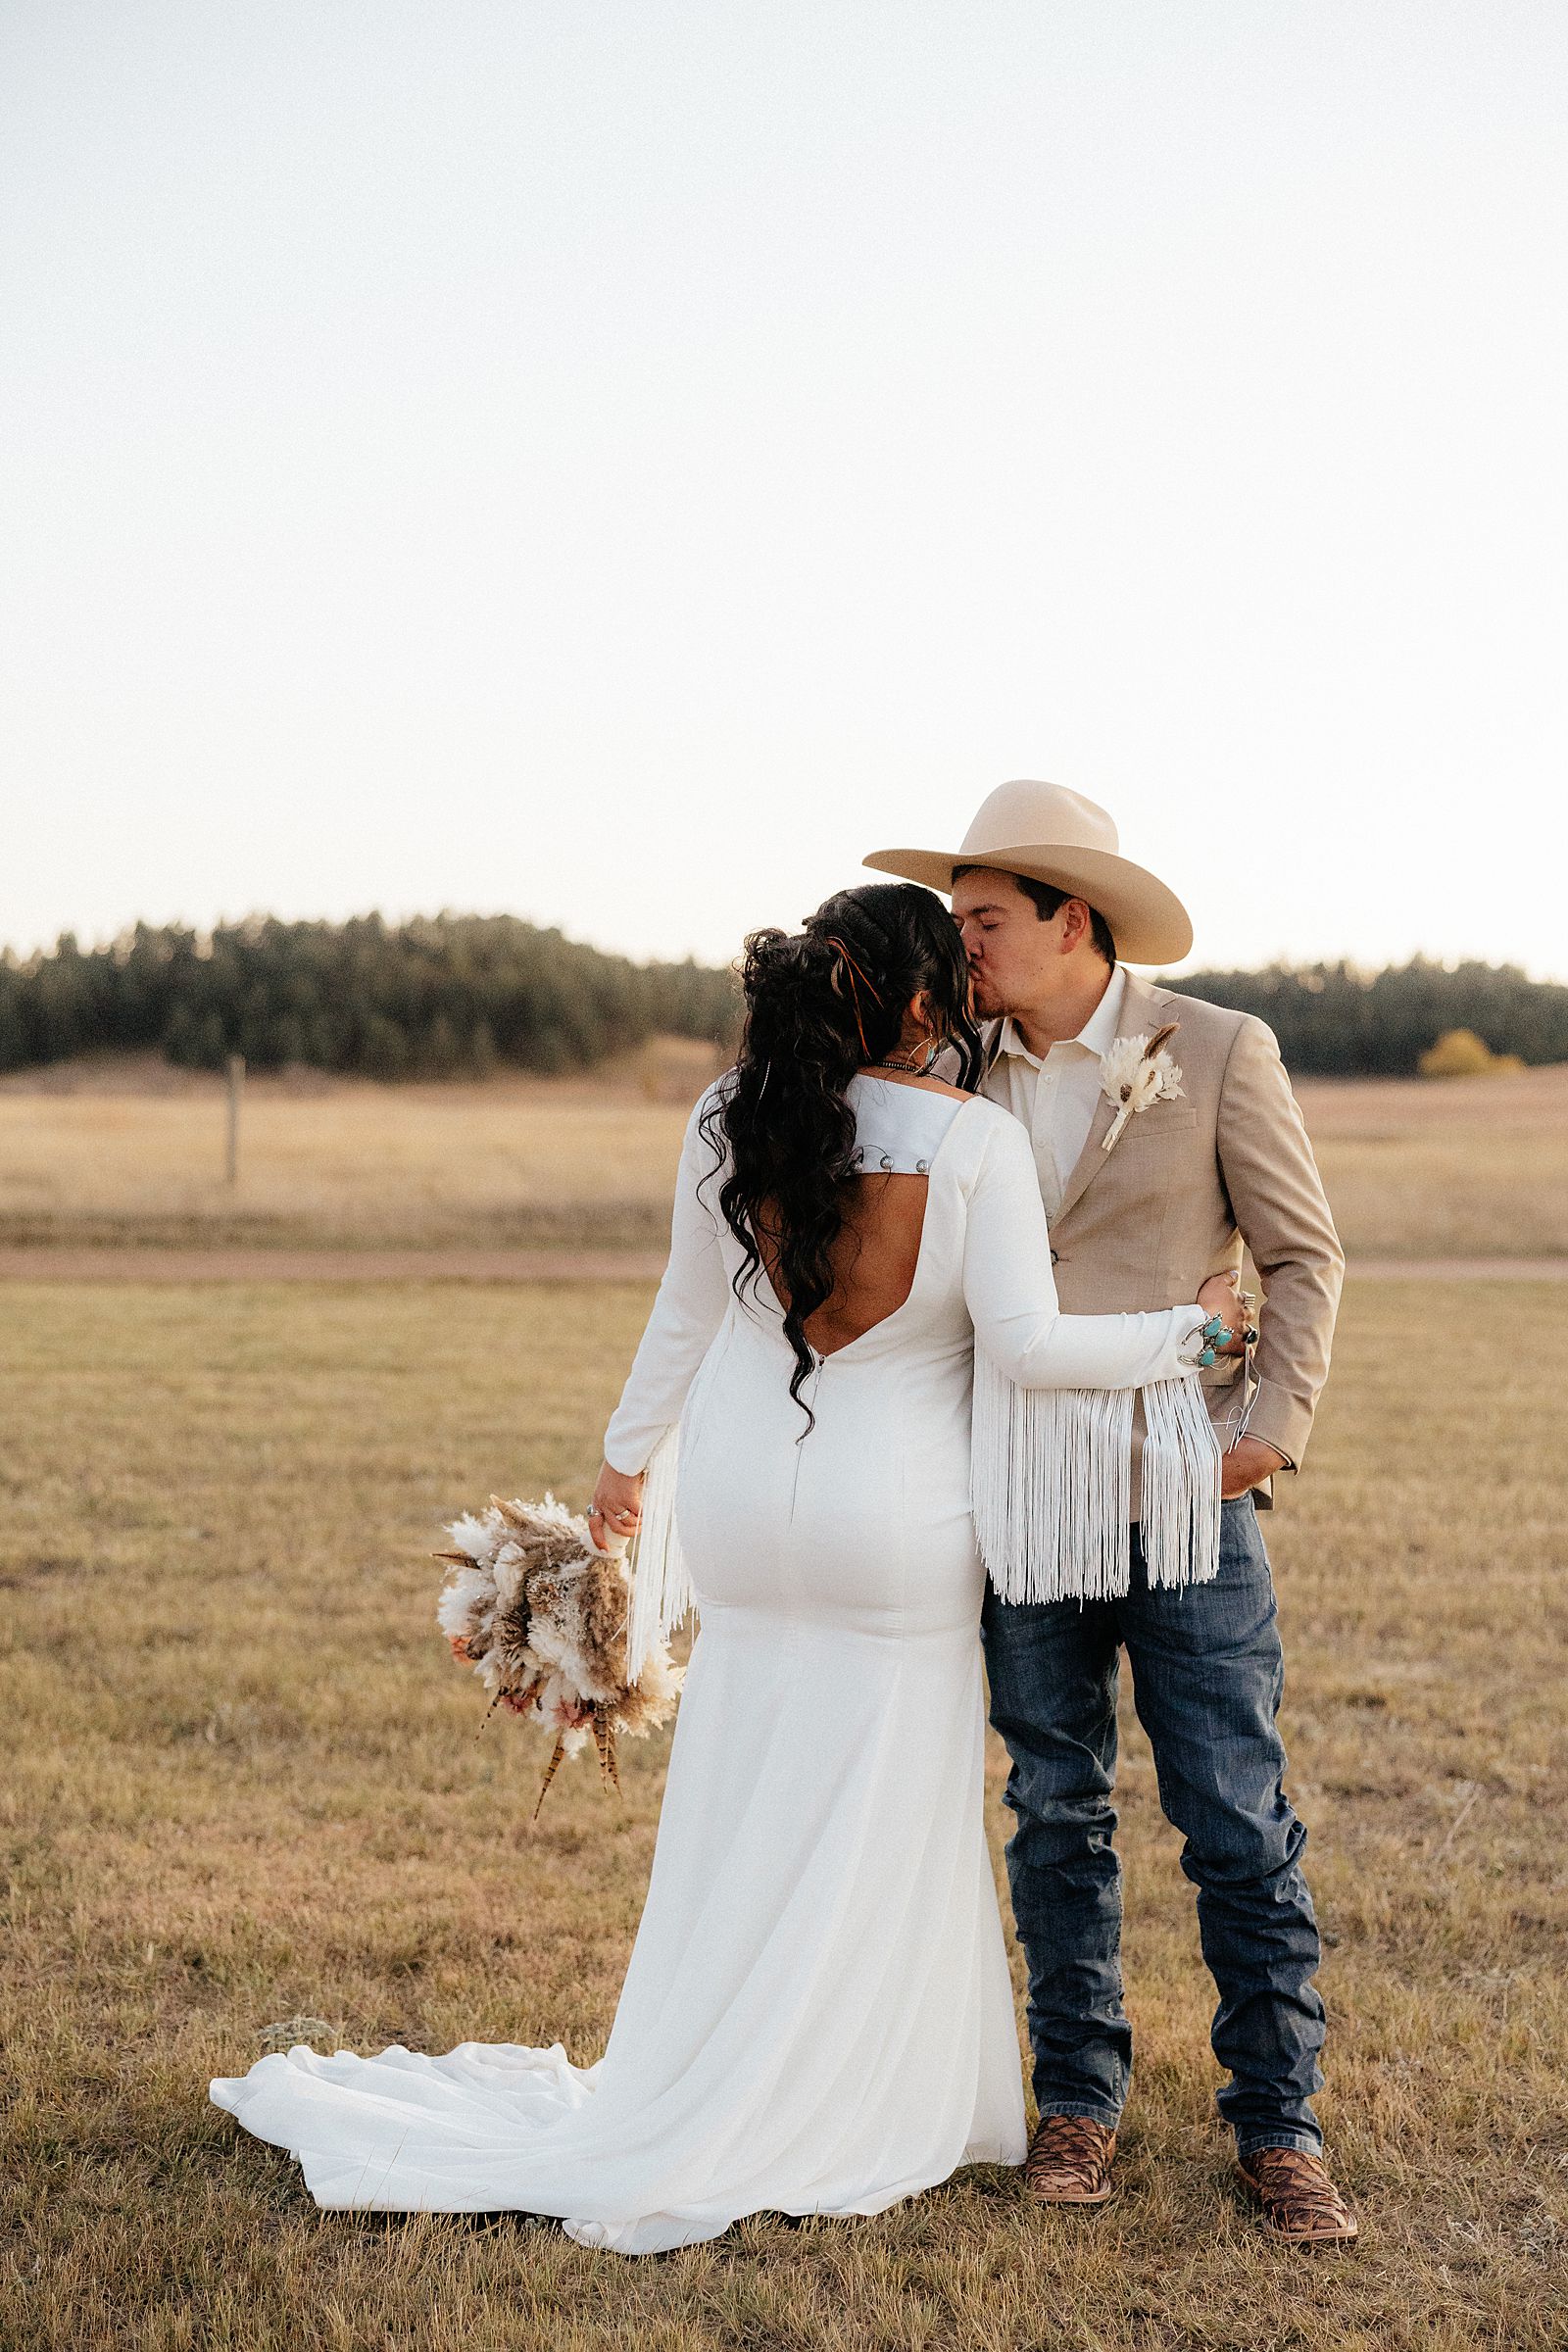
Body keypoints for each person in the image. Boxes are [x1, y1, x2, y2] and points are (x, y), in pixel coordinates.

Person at [211, 880, 1241, 2254]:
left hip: (752, 1518)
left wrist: (623, 1477)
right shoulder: (973, 1142)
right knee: (883, 1806)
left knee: (743, 1785)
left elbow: (680, 1322)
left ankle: (702, 2069)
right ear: (925, 1001)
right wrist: (1196, 1337)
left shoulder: (728, 1119)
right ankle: (848, 2099)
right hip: (898, 1528)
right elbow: (1035, 1348)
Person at [865, 780, 1355, 2245]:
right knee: (1055, 1811)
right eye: (957, 924)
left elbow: (1303, 1255)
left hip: (1188, 1495)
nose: (962, 950)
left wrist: (1267, 1435)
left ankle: (1280, 2126)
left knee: (1235, 1820)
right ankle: (1075, 2105)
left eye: (986, 921)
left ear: (1071, 917)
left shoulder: (1214, 1047)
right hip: (1018, 1499)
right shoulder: (950, 1067)